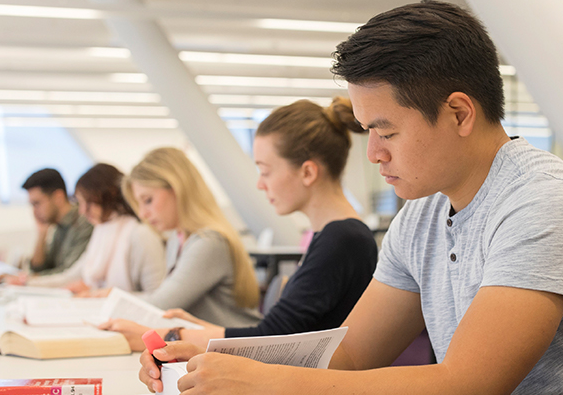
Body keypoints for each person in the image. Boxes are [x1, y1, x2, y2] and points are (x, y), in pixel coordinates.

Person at [142, 0, 563, 395]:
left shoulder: (542, 203)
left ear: (459, 112)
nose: (373, 154)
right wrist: (218, 362)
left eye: (386, 131)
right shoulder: (423, 212)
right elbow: (351, 356)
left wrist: (266, 383)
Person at [105, 98, 378, 349]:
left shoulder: (342, 238)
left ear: (307, 172)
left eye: (265, 171)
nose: (260, 184)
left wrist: (173, 336)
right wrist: (199, 328)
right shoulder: (333, 235)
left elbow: (274, 338)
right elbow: (280, 332)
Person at [118, 147, 262, 328]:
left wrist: (113, 300)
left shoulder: (209, 242)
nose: (142, 214)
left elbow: (161, 305)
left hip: (237, 347)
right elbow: (161, 297)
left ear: (178, 189)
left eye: (148, 200)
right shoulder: (176, 240)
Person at [28, 163, 166, 295]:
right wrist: (27, 283)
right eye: (80, 203)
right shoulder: (102, 230)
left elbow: (157, 296)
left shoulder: (140, 234)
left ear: (109, 197)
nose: (82, 211)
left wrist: (101, 294)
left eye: (89, 203)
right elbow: (71, 276)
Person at [0, 168, 92, 282]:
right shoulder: (57, 226)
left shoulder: (84, 222)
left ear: (58, 197)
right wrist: (41, 234)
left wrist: (24, 279)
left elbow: (67, 274)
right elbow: (39, 268)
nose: (34, 211)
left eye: (37, 203)